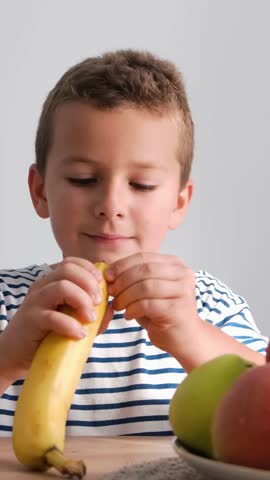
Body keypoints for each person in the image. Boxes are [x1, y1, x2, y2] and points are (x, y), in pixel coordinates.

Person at [0, 49, 268, 436]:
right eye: (82, 179)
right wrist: (8, 356)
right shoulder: (7, 304)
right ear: (40, 191)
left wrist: (191, 334)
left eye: (141, 185)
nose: (111, 206)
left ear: (179, 203)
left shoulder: (209, 305)